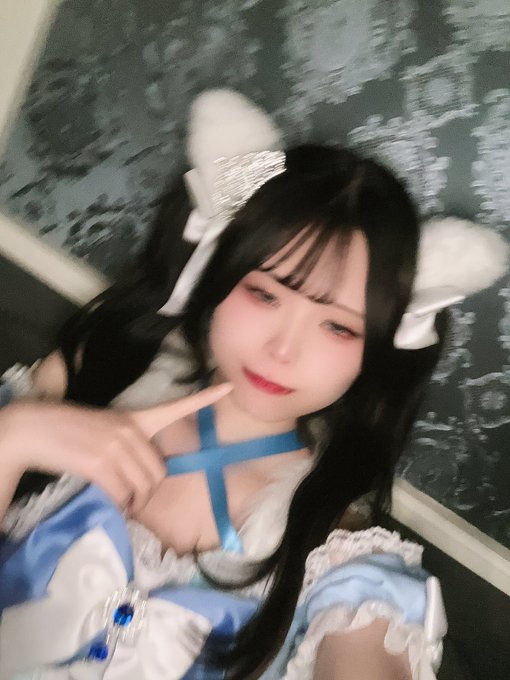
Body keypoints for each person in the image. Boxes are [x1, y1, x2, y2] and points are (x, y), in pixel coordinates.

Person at [0, 90, 506, 680]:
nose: (283, 349)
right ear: (219, 272)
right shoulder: (88, 375)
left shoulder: (340, 558)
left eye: (338, 327)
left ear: (375, 353)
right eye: (265, 294)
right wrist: (15, 437)